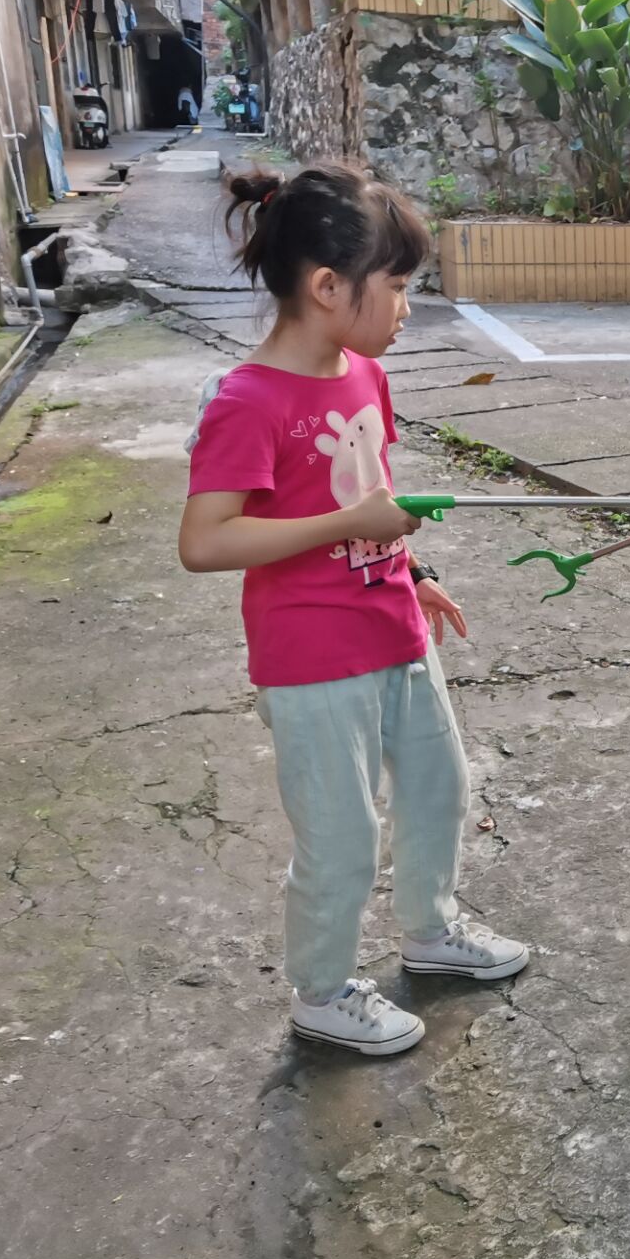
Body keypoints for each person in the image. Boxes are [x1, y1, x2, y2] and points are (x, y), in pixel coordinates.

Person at [179, 163, 530, 1057]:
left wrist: (412, 571)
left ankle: (432, 930)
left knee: (439, 791)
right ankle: (324, 991)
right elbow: (206, 541)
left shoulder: (364, 375)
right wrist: (351, 526)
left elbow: (369, 495)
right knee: (340, 836)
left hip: (393, 628)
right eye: (399, 286)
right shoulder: (248, 401)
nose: (408, 307)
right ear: (329, 286)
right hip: (311, 659)